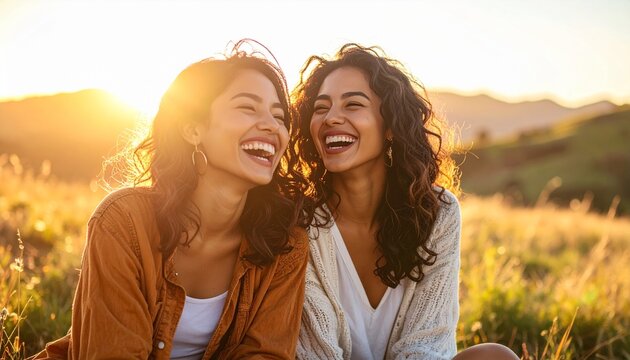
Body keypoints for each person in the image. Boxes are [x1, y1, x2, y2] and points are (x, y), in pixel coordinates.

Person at [32, 40, 309, 359]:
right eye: (248, 107)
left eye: (279, 116)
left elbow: (267, 354)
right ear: (193, 130)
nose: (272, 126)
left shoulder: (284, 242)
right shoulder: (124, 222)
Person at [292, 44, 518, 360]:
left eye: (353, 104)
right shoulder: (299, 220)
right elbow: (315, 352)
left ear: (390, 127)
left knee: (497, 356)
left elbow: (426, 344)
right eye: (321, 108)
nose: (331, 118)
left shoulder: (438, 212)